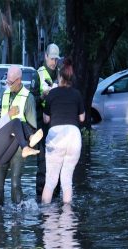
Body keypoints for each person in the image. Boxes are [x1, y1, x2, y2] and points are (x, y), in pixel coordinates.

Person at [0, 65, 38, 207]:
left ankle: (17, 216)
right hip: (3, 144)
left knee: (15, 183)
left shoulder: (28, 98)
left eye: (10, 82)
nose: (8, 84)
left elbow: (32, 127)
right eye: (7, 81)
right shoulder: (5, 94)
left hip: (18, 146)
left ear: (19, 80)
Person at [41, 58, 85, 204]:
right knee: (67, 181)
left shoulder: (52, 94)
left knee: (51, 182)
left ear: (59, 76)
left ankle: (46, 217)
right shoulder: (77, 94)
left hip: (56, 137)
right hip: (73, 137)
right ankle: (68, 220)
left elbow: (46, 120)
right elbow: (82, 118)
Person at [0, 82, 42, 164]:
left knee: (19, 126)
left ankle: (30, 138)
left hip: (2, 157)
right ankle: (26, 146)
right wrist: (9, 114)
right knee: (15, 121)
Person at [34, 43, 61, 198]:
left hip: (56, 124)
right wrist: (42, 96)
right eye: (52, 58)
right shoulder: (38, 75)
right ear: (45, 56)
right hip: (41, 125)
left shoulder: (60, 74)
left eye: (56, 59)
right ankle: (40, 195)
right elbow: (31, 100)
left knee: (57, 160)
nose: (54, 62)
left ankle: (55, 195)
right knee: (42, 162)